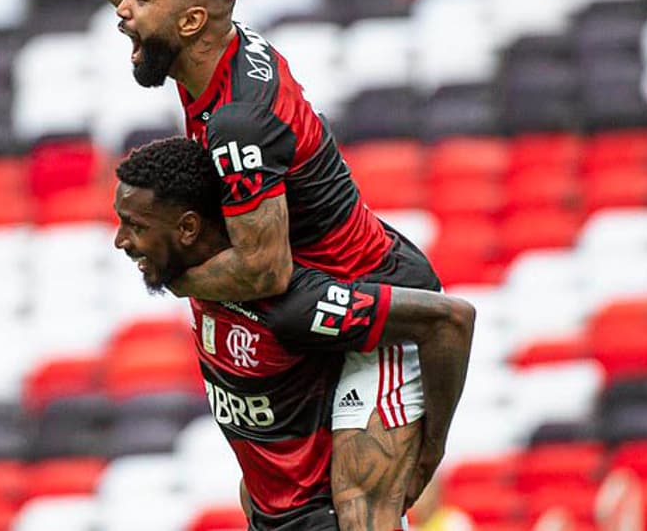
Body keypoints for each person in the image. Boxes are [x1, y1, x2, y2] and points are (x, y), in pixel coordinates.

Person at [0, 0, 448, 528]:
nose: (123, 8)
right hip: (315, 301)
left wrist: (167, 273)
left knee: (357, 518)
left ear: (190, 22)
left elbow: (264, 273)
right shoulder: (198, 46)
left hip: (366, 301)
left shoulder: (241, 118)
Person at [113, 137, 475, 530]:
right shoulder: (198, 283)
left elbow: (450, 320)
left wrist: (430, 451)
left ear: (188, 228)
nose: (121, 241)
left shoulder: (292, 306)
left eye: (135, 226)